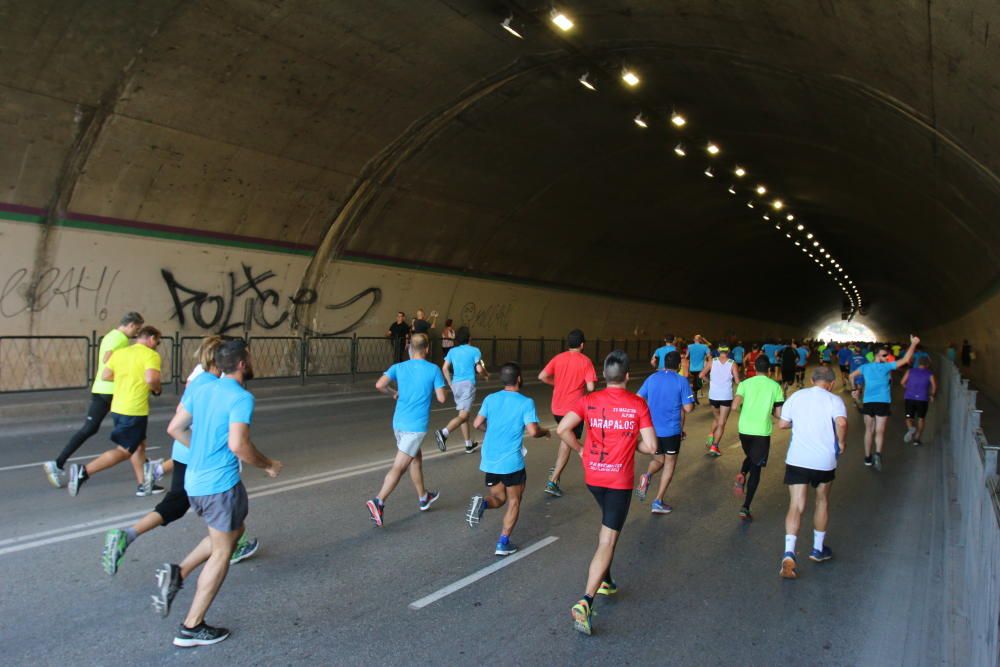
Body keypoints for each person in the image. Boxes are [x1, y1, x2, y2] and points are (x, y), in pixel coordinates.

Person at [159, 339, 282, 647]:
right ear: (242, 363)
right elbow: (239, 445)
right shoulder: (241, 398)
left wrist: (200, 449)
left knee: (234, 531)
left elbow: (175, 428)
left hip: (195, 483)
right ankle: (192, 626)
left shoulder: (202, 387)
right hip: (219, 487)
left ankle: (179, 573)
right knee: (223, 551)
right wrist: (267, 465)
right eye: (250, 358)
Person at [100, 337, 259, 576]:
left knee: (188, 502)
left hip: (191, 450)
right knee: (196, 501)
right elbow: (185, 418)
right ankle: (130, 536)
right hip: (197, 451)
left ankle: (231, 542)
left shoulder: (204, 379)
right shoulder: (209, 383)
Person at [556, 350, 657, 636]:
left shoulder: (589, 400)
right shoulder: (637, 404)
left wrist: (580, 450)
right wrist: (631, 440)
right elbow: (651, 446)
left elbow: (563, 428)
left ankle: (607, 579)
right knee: (608, 538)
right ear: (627, 376)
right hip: (618, 481)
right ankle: (586, 600)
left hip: (593, 477)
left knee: (607, 525)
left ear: (604, 375)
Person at [43, 312, 145, 488]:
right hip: (113, 390)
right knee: (131, 433)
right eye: (137, 328)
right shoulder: (120, 339)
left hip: (100, 389)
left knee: (91, 428)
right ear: (130, 325)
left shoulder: (109, 336)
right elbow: (109, 361)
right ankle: (145, 478)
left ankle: (58, 463)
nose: (136, 333)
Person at [68, 326, 164, 497]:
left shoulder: (121, 353)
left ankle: (144, 485)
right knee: (124, 450)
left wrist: (125, 377)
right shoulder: (151, 355)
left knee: (139, 445)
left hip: (118, 407)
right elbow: (151, 379)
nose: (158, 344)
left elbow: (105, 375)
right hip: (134, 409)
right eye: (158, 341)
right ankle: (84, 471)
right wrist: (156, 389)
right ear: (150, 338)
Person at [465, 363, 550, 556]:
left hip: (490, 458)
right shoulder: (525, 402)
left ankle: (483, 503)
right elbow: (533, 431)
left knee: (498, 498)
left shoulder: (490, 398)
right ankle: (503, 542)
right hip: (511, 462)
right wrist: (545, 432)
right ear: (519, 379)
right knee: (513, 501)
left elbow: (477, 423)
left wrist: (493, 430)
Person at [777, 366, 848, 579]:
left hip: (798, 459)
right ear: (832, 384)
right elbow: (842, 422)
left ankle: (789, 552)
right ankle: (818, 549)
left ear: (811, 380)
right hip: (824, 461)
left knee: (796, 505)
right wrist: (842, 441)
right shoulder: (835, 400)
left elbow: (782, 424)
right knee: (822, 501)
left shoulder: (797, 396)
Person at [368, 333, 447, 526]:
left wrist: (394, 392)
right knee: (399, 467)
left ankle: (423, 497)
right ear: (427, 349)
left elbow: (379, 385)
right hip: (415, 427)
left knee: (416, 459)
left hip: (399, 424)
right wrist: (439, 387)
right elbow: (442, 399)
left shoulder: (399, 367)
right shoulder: (433, 369)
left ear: (410, 348)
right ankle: (378, 501)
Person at [538, 329, 597, 497]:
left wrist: (556, 383)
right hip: (574, 409)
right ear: (582, 344)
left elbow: (542, 376)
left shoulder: (558, 358)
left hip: (556, 407)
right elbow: (591, 387)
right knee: (568, 441)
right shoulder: (585, 361)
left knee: (565, 439)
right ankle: (553, 480)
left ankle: (556, 473)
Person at [635, 351, 694, 514]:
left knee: (658, 459)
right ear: (679, 365)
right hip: (671, 431)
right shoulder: (682, 381)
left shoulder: (652, 378)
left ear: (663, 364)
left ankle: (647, 475)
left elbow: (638, 398)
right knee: (669, 463)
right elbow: (688, 408)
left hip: (651, 430)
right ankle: (658, 501)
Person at [851, 335, 919, 471]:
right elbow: (905, 360)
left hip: (869, 402)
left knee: (868, 431)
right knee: (880, 431)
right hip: (883, 402)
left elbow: (851, 375)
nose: (886, 357)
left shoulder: (865, 367)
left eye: (886, 355)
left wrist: (855, 390)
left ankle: (867, 458)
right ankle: (878, 454)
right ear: (877, 355)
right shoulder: (886, 367)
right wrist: (914, 344)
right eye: (884, 355)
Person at [731, 356, 785, 520]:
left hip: (744, 429)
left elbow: (734, 406)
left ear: (754, 369)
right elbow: (778, 414)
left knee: (751, 456)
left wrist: (746, 413)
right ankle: (745, 507)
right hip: (761, 431)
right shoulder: (775, 386)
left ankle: (741, 472)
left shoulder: (745, 383)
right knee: (756, 468)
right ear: (769, 370)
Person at [435, 327, 488, 454]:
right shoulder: (475, 350)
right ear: (469, 338)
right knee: (464, 415)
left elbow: (444, 368)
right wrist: (486, 375)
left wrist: (450, 383)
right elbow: (480, 369)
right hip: (467, 385)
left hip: (456, 385)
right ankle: (444, 433)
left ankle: (468, 444)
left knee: (463, 415)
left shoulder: (452, 351)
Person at [700, 346, 740, 457]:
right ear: (728, 351)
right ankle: (714, 447)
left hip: (713, 396)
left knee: (717, 418)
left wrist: (710, 382)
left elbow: (701, 375)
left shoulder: (712, 361)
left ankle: (711, 436)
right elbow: (737, 380)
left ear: (718, 351)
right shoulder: (732, 363)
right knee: (722, 422)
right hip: (726, 396)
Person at [901, 357, 936, 446]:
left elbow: (902, 382)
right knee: (921, 418)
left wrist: (908, 388)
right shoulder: (929, 373)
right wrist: (932, 395)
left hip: (910, 398)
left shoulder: (910, 371)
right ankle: (917, 439)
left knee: (909, 417)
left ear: (918, 363)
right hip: (922, 399)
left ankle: (911, 428)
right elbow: (934, 386)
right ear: (927, 365)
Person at [686, 335, 711, 404]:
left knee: (696, 381)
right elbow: (709, 356)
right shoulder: (705, 347)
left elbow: (686, 356)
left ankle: (694, 396)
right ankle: (694, 394)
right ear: (700, 340)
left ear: (694, 339)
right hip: (700, 368)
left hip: (692, 368)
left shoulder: (689, 346)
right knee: (699, 383)